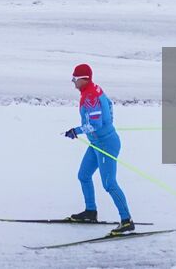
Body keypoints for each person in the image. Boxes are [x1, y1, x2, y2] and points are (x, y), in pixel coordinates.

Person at [63, 63, 134, 235]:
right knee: (83, 175)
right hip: (97, 143)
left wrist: (76, 131)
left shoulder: (91, 95)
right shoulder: (92, 89)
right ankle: (90, 212)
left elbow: (95, 124)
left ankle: (127, 221)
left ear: (83, 79)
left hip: (106, 145)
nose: (72, 82)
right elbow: (109, 105)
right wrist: (107, 126)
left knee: (109, 184)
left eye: (75, 78)